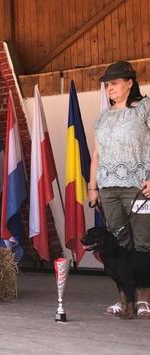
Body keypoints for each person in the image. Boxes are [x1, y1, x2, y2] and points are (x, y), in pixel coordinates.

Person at [89, 61, 150, 318]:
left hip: (138, 187)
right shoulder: (103, 116)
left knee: (144, 240)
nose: (109, 88)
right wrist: (93, 186)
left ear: (129, 82)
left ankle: (144, 300)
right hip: (108, 189)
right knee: (118, 244)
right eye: (107, 85)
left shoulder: (144, 108)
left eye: (114, 83)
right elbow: (97, 153)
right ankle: (125, 300)